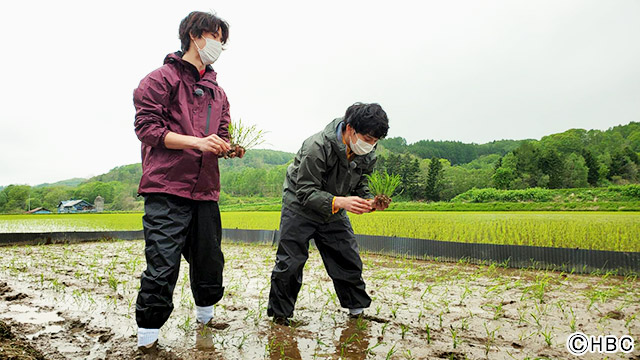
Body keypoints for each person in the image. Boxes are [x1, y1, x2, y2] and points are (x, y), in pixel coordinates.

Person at [132, 11, 241, 353]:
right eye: (215, 36)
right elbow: (147, 129)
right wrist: (196, 142)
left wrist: (226, 147)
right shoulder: (159, 80)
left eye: (223, 40)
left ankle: (206, 318)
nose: (219, 45)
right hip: (166, 188)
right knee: (162, 264)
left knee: (209, 261)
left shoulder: (218, 93)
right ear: (194, 35)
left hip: (205, 189)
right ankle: (147, 337)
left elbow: (220, 133)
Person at [267, 103, 390, 325]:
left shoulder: (366, 152)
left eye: (376, 141)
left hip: (335, 208)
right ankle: (281, 316)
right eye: (368, 138)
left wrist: (369, 201)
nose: (371, 145)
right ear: (351, 128)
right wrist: (339, 201)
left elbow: (361, 183)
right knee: (290, 262)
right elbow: (305, 192)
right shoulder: (316, 147)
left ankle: (357, 311)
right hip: (300, 207)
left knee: (347, 257)